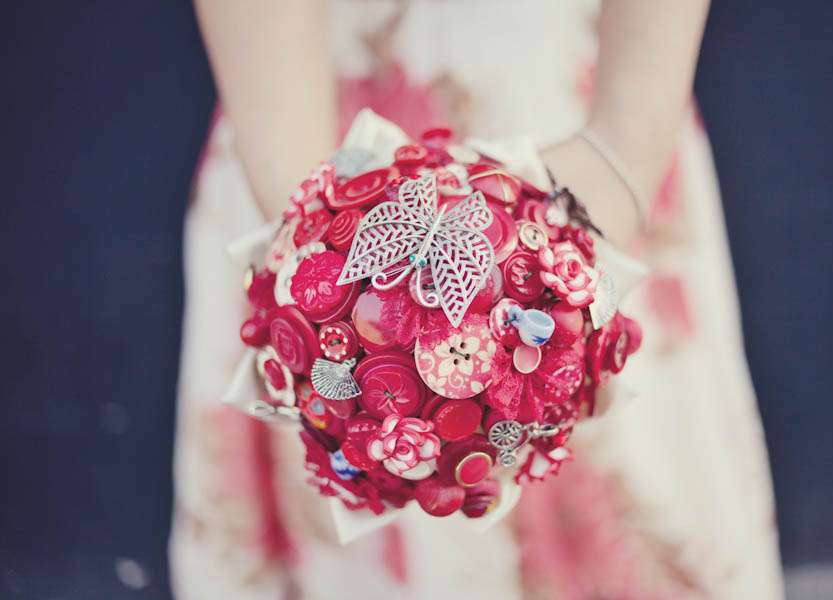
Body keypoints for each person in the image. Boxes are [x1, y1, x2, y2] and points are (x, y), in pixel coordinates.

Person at [171, 1, 784, 598]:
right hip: (295, 114)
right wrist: (304, 210)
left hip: (583, 132)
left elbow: (623, 149)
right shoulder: (307, 200)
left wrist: (624, 146)